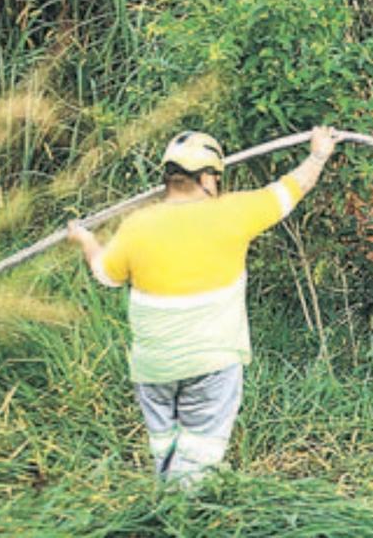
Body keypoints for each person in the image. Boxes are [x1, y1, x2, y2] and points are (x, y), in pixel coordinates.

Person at [68, 126, 338, 484]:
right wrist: (319, 153)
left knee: (165, 445)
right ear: (209, 178)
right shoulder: (235, 212)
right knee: (198, 456)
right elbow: (296, 186)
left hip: (154, 369)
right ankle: (179, 514)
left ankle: (166, 490)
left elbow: (105, 274)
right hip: (211, 364)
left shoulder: (137, 225)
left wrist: (86, 239)